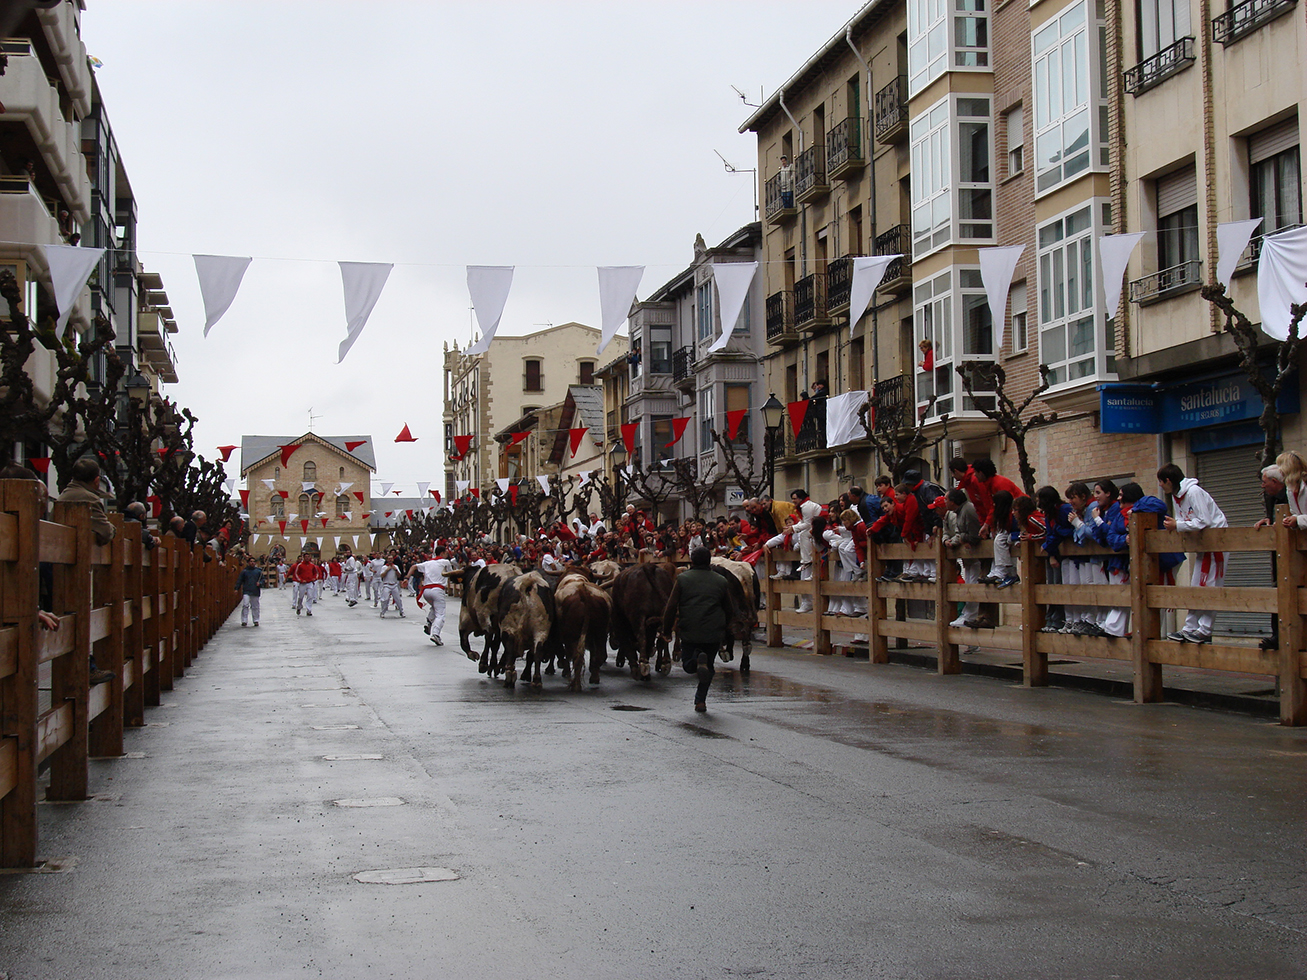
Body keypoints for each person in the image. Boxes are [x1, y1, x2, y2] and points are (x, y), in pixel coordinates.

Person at [1158, 463, 1227, 644]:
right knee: (1196, 585)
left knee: (1210, 586)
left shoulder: (1194, 492)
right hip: (1203, 544)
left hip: (1216, 542)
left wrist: (1177, 526)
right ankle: (1189, 628)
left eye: (1161, 482)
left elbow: (1204, 520)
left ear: (1168, 480)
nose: (1160, 486)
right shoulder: (1176, 495)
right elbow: (1184, 519)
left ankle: (1204, 630)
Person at [661, 547, 732, 713]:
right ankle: (700, 701)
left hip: (689, 628)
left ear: (692, 561)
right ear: (709, 561)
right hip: (713, 630)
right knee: (709, 667)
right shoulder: (721, 581)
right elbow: (729, 609)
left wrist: (666, 629)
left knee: (687, 665)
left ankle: (695, 662)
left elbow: (671, 607)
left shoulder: (683, 579)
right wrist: (725, 628)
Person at [943, 489, 983, 629]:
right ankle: (967, 614)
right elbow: (958, 533)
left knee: (973, 585)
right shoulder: (957, 512)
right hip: (969, 557)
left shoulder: (968, 510)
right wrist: (951, 541)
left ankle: (970, 615)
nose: (944, 502)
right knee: (970, 585)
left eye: (946, 499)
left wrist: (961, 539)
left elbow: (974, 534)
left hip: (976, 556)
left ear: (953, 501)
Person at [55, 457, 115, 546]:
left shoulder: (64, 494)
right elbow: (106, 532)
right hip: (76, 551)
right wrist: (113, 529)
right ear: (97, 480)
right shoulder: (90, 499)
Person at [411, 545, 455, 644]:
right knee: (440, 613)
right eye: (446, 553)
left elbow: (414, 566)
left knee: (434, 607)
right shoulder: (445, 562)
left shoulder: (428, 563)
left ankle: (429, 622)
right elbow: (451, 573)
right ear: (442, 553)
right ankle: (436, 634)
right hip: (437, 589)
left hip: (426, 591)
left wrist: (406, 577)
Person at [235, 554, 262, 626]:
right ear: (248, 563)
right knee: (245, 605)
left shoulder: (258, 571)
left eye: (253, 561)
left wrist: (260, 583)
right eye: (251, 561)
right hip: (246, 590)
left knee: (255, 606)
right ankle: (244, 620)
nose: (252, 563)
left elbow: (263, 580)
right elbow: (239, 580)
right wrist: (236, 588)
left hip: (255, 591)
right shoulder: (244, 571)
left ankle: (256, 620)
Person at [377, 552, 405, 618]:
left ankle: (401, 611)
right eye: (389, 559)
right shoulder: (384, 567)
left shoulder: (396, 567)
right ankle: (383, 612)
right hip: (386, 585)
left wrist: (395, 570)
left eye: (391, 559)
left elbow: (399, 575)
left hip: (394, 584)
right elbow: (382, 575)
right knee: (385, 599)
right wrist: (387, 570)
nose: (390, 560)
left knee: (398, 599)